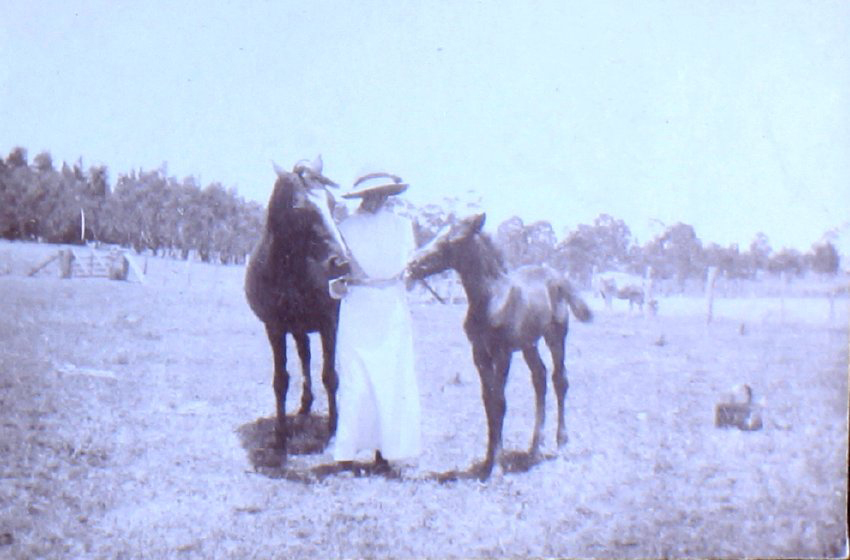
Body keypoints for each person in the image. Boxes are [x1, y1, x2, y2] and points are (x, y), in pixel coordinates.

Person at [330, 172, 421, 470]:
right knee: (355, 381)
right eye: (370, 194)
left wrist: (408, 278)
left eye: (382, 193)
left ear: (388, 195)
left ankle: (387, 452)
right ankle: (346, 456)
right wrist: (336, 285)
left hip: (392, 308)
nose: (376, 199)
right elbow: (333, 273)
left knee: (391, 380)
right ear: (361, 196)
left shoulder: (403, 227)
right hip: (358, 307)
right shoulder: (345, 228)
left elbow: (410, 272)